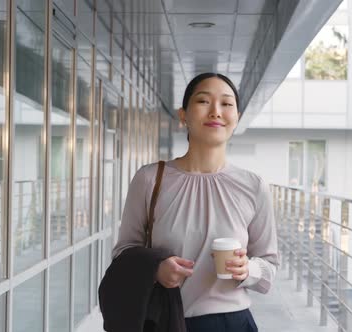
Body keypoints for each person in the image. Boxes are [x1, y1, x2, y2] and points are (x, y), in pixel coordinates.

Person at [113, 72, 279, 332]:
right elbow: (123, 252)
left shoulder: (253, 186)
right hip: (166, 321)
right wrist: (155, 269)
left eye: (226, 104)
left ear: (236, 118)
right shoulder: (149, 179)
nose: (215, 111)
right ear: (183, 115)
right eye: (203, 101)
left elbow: (269, 267)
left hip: (232, 323)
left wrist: (249, 269)